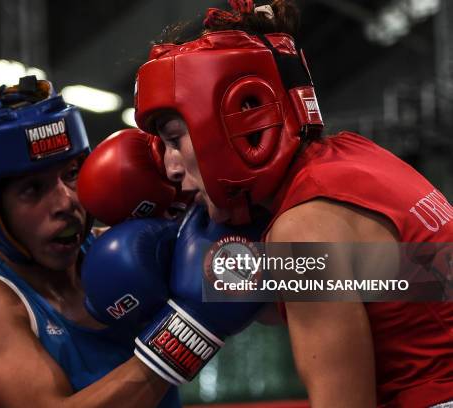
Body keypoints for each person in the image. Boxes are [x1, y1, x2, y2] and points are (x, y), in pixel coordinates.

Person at [132, 1, 453, 407]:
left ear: (230, 122)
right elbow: (382, 281)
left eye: (175, 139)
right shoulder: (353, 156)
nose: (171, 167)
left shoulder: (302, 229)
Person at [0, 76, 181, 407]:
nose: (65, 202)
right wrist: (187, 337)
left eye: (71, 174)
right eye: (33, 190)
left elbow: (264, 285)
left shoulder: (128, 251)